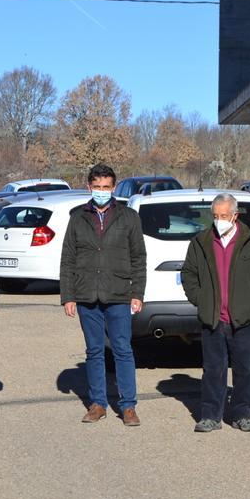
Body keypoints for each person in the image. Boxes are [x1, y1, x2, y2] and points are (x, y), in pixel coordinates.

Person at [181, 193, 250, 433]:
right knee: (213, 370)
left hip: (242, 319)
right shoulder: (200, 241)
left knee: (245, 369)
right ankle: (211, 416)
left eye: (223, 216)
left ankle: (242, 414)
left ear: (235, 215)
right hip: (213, 318)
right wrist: (200, 299)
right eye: (215, 216)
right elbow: (189, 274)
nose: (219, 220)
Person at [60, 164, 147, 426]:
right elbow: (68, 259)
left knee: (122, 349)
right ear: (89, 187)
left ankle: (128, 406)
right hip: (87, 294)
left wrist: (137, 292)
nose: (101, 191)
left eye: (106, 187)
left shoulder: (129, 217)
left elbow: (139, 258)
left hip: (119, 293)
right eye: (97, 187)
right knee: (94, 351)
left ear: (113, 188)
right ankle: (97, 403)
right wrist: (68, 295)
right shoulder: (77, 218)